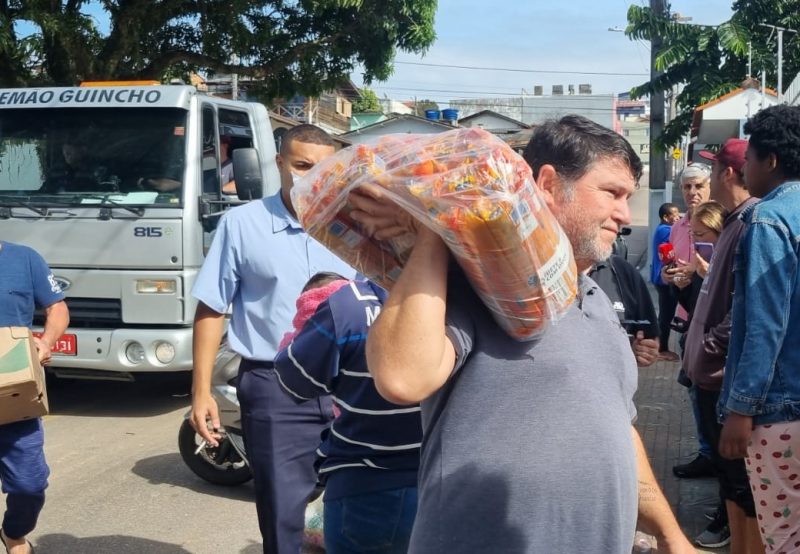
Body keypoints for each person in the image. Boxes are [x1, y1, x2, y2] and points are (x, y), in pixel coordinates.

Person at [350, 115, 693, 553]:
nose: (625, 215)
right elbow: (402, 378)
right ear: (547, 185)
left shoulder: (599, 302)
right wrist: (439, 228)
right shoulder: (478, 284)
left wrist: (670, 534)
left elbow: (617, 430)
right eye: (611, 192)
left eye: (627, 197)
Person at [190, 124, 356, 554]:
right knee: (282, 514)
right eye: (301, 165)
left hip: (355, 387)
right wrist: (201, 391)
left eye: (324, 168)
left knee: (358, 507)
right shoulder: (243, 225)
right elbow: (211, 308)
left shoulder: (356, 225)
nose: (312, 176)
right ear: (280, 163)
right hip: (274, 388)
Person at [275, 276, 422, 554]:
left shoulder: (347, 304)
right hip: (443, 487)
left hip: (364, 491)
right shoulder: (461, 299)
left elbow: (294, 380)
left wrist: (303, 327)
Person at [718, 105, 800, 553]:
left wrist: (741, 410)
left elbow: (765, 327)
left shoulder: (768, 220)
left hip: (781, 414)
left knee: (784, 540)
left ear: (770, 160)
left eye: (748, 158)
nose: (743, 168)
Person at [680, 139, 759, 552]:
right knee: (727, 472)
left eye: (711, 172)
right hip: (709, 373)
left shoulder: (752, 224)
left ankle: (736, 532)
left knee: (738, 476)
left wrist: (710, 346)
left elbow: (749, 308)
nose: (705, 182)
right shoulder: (733, 221)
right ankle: (728, 523)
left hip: (722, 375)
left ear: (728, 173)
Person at [0, 241, 69, 554]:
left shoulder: (25, 259)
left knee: (29, 485)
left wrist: (45, 342)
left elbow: (57, 308)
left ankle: (13, 533)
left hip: (16, 398)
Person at [666, 164, 716, 481]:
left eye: (698, 186)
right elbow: (670, 267)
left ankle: (716, 457)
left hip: (713, 321)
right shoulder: (677, 225)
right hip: (688, 316)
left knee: (710, 394)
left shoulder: (720, 221)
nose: (693, 193)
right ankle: (707, 452)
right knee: (695, 392)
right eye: (687, 187)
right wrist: (671, 276)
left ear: (710, 186)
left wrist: (701, 272)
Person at [588, 254, 660, 367]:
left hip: (611, 382)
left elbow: (649, 339)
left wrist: (643, 350)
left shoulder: (623, 271)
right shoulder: (552, 271)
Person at [651, 202, 680, 361]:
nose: (677, 217)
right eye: (674, 215)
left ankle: (660, 345)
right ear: (665, 217)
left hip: (662, 279)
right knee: (666, 315)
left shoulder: (664, 228)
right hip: (663, 280)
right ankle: (662, 349)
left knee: (665, 313)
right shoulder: (665, 230)